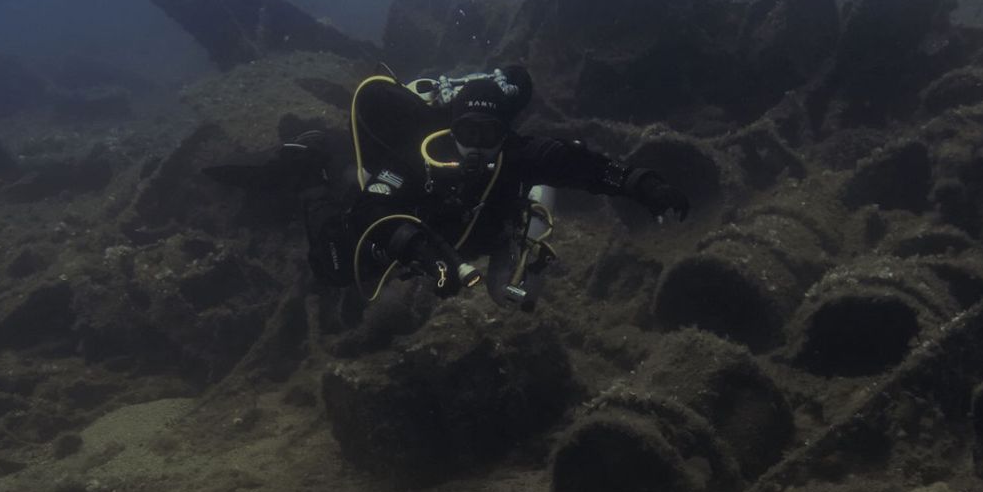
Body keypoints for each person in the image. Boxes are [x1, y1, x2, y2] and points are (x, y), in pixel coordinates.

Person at [289, 64, 689, 309]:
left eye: (489, 133)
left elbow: (581, 166)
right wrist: (419, 251)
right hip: (420, 242)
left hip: (476, 237)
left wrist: (641, 184)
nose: (478, 145)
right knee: (335, 269)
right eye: (468, 132)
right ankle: (313, 172)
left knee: (516, 293)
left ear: (505, 133)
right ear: (453, 129)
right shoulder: (419, 156)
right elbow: (371, 208)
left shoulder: (518, 154)